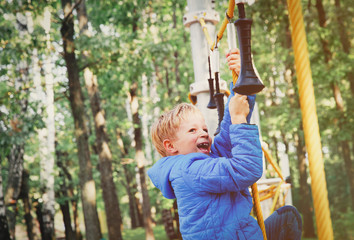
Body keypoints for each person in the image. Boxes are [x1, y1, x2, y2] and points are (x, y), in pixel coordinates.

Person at [148, 48, 302, 240]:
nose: (204, 133)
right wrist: (239, 117)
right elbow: (247, 169)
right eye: (192, 130)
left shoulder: (205, 161)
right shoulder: (190, 170)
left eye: (204, 129)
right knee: (288, 219)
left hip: (242, 234)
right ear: (171, 146)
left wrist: (242, 81)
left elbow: (228, 131)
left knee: (287, 217)